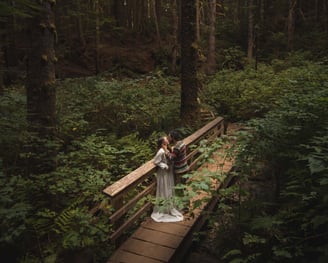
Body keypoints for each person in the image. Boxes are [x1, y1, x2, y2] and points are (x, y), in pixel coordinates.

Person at [150, 136, 183, 222]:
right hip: (164, 173)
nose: (167, 139)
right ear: (162, 143)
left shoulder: (166, 149)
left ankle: (169, 206)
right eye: (165, 139)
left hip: (169, 173)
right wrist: (164, 166)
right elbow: (156, 161)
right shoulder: (161, 151)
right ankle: (164, 208)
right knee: (164, 188)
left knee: (168, 187)